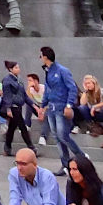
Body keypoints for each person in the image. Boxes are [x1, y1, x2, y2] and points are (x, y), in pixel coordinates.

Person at [2, 148, 66, 205]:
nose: (19, 168)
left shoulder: (47, 177)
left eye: (23, 164)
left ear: (35, 165)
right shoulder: (14, 173)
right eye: (17, 163)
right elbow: (14, 202)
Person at [39, 46, 80, 175]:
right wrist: (42, 105)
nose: (40, 58)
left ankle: (81, 156)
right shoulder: (47, 71)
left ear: (45, 57)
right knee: (57, 137)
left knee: (63, 135)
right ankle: (65, 164)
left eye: (40, 56)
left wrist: (69, 105)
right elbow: (47, 89)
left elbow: (72, 88)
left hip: (61, 106)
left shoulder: (62, 71)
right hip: (51, 107)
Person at [1, 61, 34, 156]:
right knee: (22, 127)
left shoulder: (18, 80)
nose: (18, 69)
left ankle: (7, 148)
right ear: (10, 69)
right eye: (16, 67)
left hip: (18, 107)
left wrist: (33, 105)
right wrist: (8, 109)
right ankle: (31, 147)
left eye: (18, 67)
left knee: (11, 128)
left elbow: (24, 95)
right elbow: (7, 96)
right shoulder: (7, 80)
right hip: (13, 108)